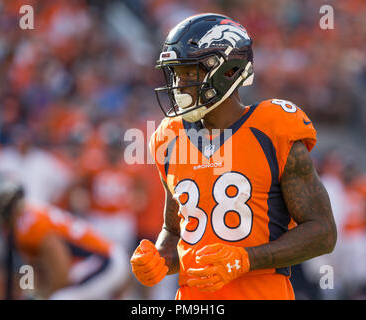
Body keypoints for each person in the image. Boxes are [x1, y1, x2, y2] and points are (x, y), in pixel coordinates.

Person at [130, 13, 337, 300]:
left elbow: (322, 232)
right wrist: (159, 258)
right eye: (176, 73)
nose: (179, 84)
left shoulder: (272, 127)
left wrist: (245, 259)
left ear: (229, 70)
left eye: (190, 72)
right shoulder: (169, 137)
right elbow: (175, 231)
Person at [0, 173, 129, 300]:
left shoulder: (29, 225)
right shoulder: (26, 216)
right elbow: (38, 267)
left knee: (61, 298)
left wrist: (45, 295)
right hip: (95, 261)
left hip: (103, 260)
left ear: (4, 201)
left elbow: (60, 263)